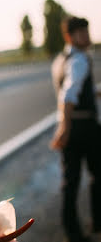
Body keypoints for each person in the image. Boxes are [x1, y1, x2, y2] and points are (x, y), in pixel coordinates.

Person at [51, 16, 101, 242]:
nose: (87, 36)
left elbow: (74, 91)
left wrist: (94, 93)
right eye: (82, 32)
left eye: (87, 31)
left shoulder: (61, 59)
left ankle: (74, 233)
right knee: (97, 175)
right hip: (83, 127)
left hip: (73, 124)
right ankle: (97, 223)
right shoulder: (79, 59)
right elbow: (69, 95)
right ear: (70, 36)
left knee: (70, 182)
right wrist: (65, 128)